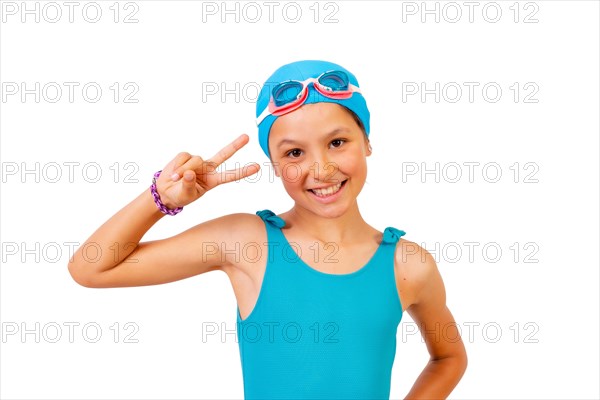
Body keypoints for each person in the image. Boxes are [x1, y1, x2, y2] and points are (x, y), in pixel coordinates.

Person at [68, 59, 467, 399]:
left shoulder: (408, 263)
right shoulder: (247, 242)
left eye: (337, 142)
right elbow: (91, 268)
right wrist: (161, 199)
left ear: (366, 141)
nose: (321, 169)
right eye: (294, 152)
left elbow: (448, 357)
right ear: (274, 164)